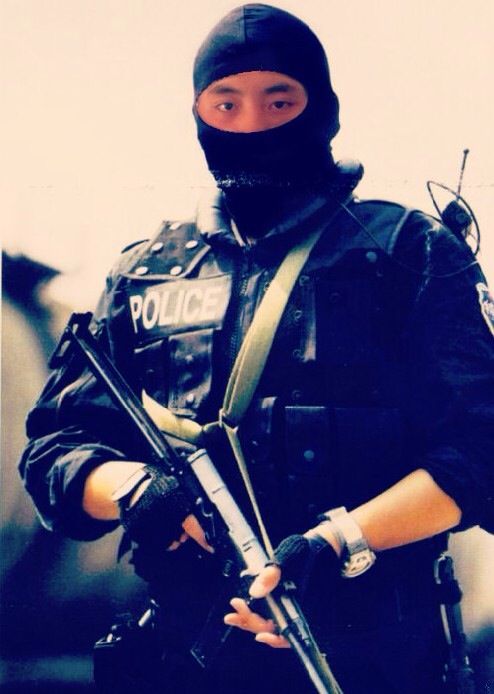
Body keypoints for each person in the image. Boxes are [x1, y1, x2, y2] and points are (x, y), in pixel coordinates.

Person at [19, 4, 494, 693]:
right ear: (197, 114)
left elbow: (479, 450)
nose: (251, 125)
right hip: (186, 658)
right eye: (226, 103)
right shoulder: (147, 273)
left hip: (374, 657)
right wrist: (134, 490)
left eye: (279, 100)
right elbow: (55, 451)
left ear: (322, 108)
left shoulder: (409, 253)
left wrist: (337, 543)